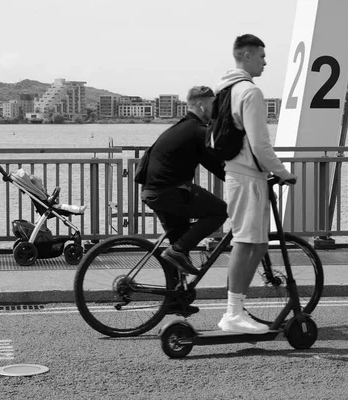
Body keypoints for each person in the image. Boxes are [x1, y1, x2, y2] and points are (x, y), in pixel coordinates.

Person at [215, 34, 297, 334]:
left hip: (240, 174)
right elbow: (260, 144)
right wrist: (283, 172)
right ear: (247, 56)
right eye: (262, 55)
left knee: (259, 243)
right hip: (248, 176)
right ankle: (232, 313)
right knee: (245, 242)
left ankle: (236, 308)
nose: (265, 61)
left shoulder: (225, 89)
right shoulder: (250, 92)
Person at [141, 86, 228, 313]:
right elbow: (223, 157)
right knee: (219, 211)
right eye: (212, 105)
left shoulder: (185, 128)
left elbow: (215, 165)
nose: (215, 110)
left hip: (154, 192)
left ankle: (174, 299)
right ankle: (178, 250)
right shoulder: (198, 130)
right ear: (201, 106)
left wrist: (233, 178)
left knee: (177, 244)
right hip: (168, 192)